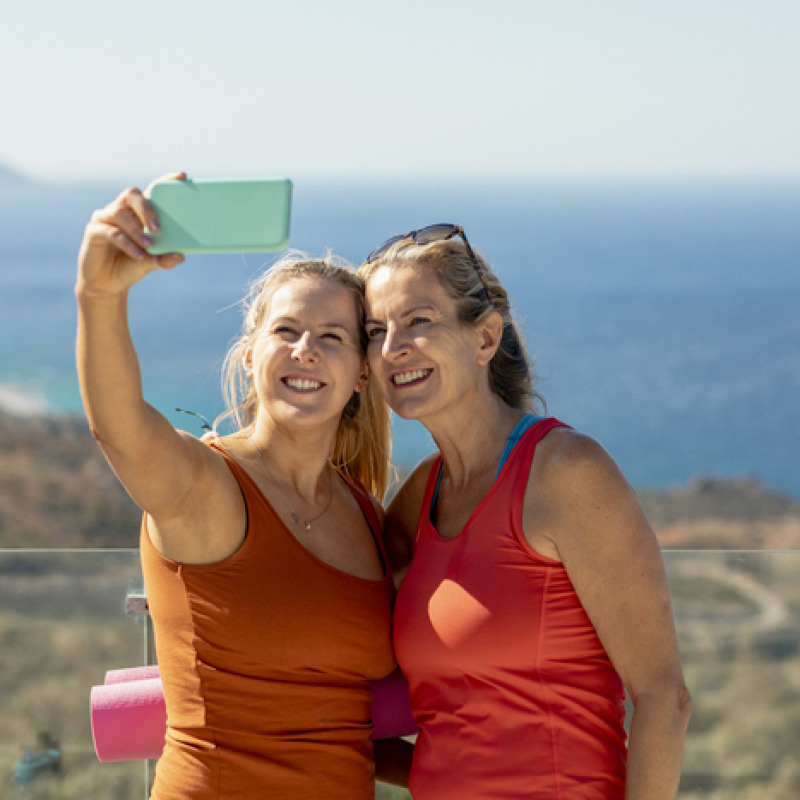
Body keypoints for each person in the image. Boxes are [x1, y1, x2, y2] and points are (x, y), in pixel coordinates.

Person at [75, 175, 398, 799]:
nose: (306, 350)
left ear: (362, 373)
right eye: (286, 331)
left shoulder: (366, 512)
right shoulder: (208, 487)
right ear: (251, 356)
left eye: (331, 337)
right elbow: (119, 429)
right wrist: (99, 294)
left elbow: (349, 725)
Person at [359, 224, 692, 800]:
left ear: (485, 338)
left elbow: (663, 696)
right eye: (375, 331)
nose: (393, 348)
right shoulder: (417, 500)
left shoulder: (564, 473)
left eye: (420, 321)